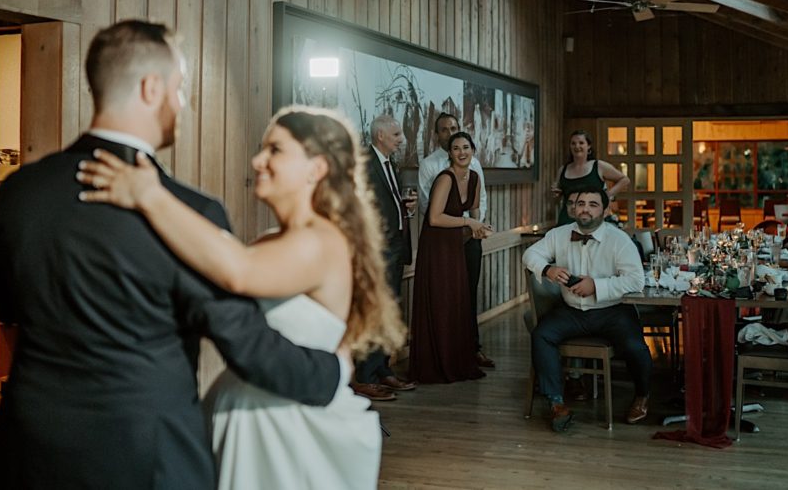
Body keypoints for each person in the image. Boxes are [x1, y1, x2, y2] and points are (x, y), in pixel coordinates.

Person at [0, 21, 346, 490]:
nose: (182, 103)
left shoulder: (19, 192)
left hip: (30, 445)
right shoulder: (190, 213)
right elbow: (243, 341)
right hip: (146, 453)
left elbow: (7, 312)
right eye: (179, 89)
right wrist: (332, 370)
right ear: (151, 88)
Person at [77, 105, 406, 489]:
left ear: (315, 169)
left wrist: (150, 195)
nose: (258, 160)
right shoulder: (272, 240)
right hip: (248, 412)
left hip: (288, 427)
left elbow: (236, 272)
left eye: (275, 150)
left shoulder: (320, 240)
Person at [523, 190, 652, 431]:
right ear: (573, 209)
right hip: (572, 311)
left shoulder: (619, 239)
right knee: (541, 335)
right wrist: (547, 269)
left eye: (593, 205)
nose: (585, 209)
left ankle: (642, 395)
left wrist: (596, 285)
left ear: (605, 211)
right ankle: (556, 403)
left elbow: (636, 281)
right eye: (581, 203)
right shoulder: (558, 235)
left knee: (635, 346)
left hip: (612, 311)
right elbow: (529, 254)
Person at [409, 132, 490, 383]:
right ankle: (436, 362)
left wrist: (479, 228)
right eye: (456, 148)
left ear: (473, 151)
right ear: (450, 154)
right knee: (441, 300)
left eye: (466, 147)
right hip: (437, 245)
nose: (461, 152)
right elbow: (434, 218)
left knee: (458, 299)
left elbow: (474, 207)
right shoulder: (445, 178)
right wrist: (468, 221)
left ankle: (456, 358)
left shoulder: (474, 177)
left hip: (457, 243)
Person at [353, 114, 418, 401]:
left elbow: (389, 203)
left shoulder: (390, 164)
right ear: (380, 136)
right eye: (396, 135)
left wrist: (408, 210)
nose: (401, 139)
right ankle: (365, 378)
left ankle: (382, 370)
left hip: (394, 250)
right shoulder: (365, 163)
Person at [551, 130, 630, 225]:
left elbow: (625, 180)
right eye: (573, 143)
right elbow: (558, 194)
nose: (577, 146)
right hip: (567, 218)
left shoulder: (599, 166)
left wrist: (607, 195)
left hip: (592, 218)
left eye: (581, 143)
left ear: (588, 146)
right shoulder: (563, 170)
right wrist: (556, 193)